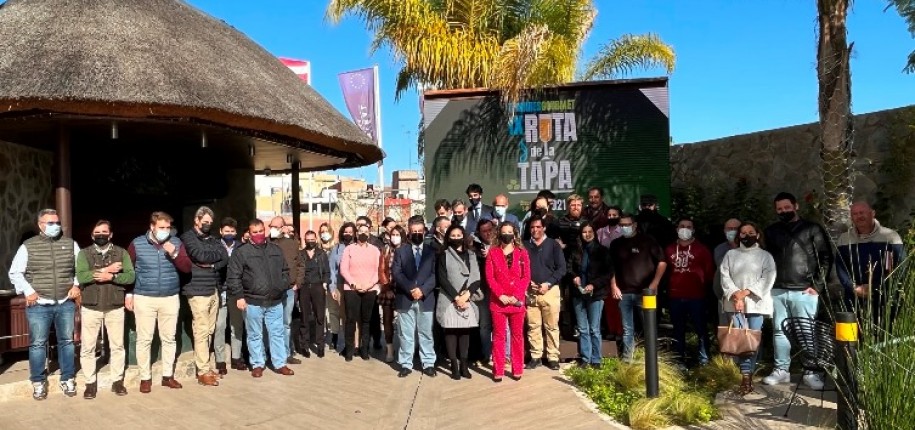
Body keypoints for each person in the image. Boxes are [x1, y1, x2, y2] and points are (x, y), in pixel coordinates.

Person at [8, 209, 82, 400]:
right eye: (50, 223)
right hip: (39, 304)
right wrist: (28, 291)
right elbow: (15, 272)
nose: (55, 226)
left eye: (57, 222)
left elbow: (80, 268)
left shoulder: (70, 244)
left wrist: (76, 285)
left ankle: (67, 378)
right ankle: (38, 382)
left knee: (67, 342)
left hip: (65, 302)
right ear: (40, 224)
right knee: (38, 344)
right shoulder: (28, 246)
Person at [762, 192, 833, 390]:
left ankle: (812, 372)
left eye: (787, 207)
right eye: (779, 209)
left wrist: (817, 286)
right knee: (778, 332)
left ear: (796, 206)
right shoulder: (771, 231)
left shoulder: (812, 229)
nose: (783, 211)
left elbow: (826, 257)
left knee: (807, 331)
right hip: (777, 290)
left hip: (804, 290)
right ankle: (781, 370)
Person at [127, 211, 192, 393]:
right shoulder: (137, 244)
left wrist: (175, 253)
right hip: (144, 297)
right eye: (162, 227)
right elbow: (128, 270)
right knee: (144, 339)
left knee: (169, 338)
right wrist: (129, 294)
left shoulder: (176, 243)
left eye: (168, 227)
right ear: (152, 227)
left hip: (170, 297)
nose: (165, 231)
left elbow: (187, 268)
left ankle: (167, 376)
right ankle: (145, 378)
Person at [226, 219, 295, 377]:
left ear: (265, 230)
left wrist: (282, 285)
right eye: (254, 232)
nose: (258, 234)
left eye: (260, 231)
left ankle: (280, 363)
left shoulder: (276, 249)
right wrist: (239, 296)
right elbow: (234, 276)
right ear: (249, 234)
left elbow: (285, 270)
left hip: (275, 300)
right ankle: (257, 363)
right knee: (254, 334)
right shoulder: (242, 252)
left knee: (277, 332)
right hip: (252, 301)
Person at [75, 220, 135, 398]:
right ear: (92, 235)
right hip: (91, 306)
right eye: (97, 232)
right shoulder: (84, 254)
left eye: (104, 232)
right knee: (88, 347)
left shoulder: (121, 252)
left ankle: (117, 381)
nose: (101, 235)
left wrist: (113, 276)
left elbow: (130, 276)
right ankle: (90, 383)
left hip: (114, 306)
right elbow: (82, 276)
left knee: (117, 346)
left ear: (110, 234)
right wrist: (106, 270)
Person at [720, 222, 776, 395]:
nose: (747, 235)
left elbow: (768, 277)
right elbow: (725, 276)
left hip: (756, 304)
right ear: (739, 236)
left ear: (757, 235)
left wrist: (745, 293)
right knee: (740, 340)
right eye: (743, 233)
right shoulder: (731, 254)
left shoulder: (765, 256)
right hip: (734, 303)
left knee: (751, 341)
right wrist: (735, 294)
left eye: (751, 232)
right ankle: (746, 376)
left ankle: (746, 377)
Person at [180, 206, 229, 387]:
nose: (207, 225)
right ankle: (202, 371)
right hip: (197, 289)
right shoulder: (187, 238)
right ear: (196, 220)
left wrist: (211, 265)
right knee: (201, 330)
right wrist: (209, 258)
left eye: (210, 222)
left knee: (209, 330)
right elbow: (198, 254)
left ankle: (206, 366)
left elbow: (224, 257)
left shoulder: (214, 239)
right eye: (204, 222)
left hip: (213, 288)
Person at [836, 201, 905, 327]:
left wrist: (875, 288)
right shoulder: (844, 239)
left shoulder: (890, 236)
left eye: (862, 212)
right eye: (855, 214)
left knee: (883, 334)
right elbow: (841, 267)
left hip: (884, 297)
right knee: (853, 337)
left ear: (872, 213)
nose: (859, 216)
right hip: (854, 297)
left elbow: (899, 266)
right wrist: (853, 287)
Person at [608, 213, 667, 359]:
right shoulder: (615, 244)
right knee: (628, 329)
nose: (624, 228)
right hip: (624, 293)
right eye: (621, 225)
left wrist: (654, 283)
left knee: (649, 327)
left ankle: (652, 359)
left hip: (645, 293)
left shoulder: (647, 241)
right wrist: (614, 286)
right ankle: (628, 360)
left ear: (634, 225)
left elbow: (662, 262)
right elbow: (611, 268)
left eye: (627, 225)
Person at [392, 216, 438, 378]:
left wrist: (423, 290)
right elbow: (396, 273)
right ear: (409, 233)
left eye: (420, 231)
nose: (417, 234)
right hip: (406, 297)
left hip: (426, 298)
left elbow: (435, 275)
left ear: (425, 232)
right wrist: (412, 288)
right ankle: (406, 363)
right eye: (414, 232)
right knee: (406, 333)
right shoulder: (400, 251)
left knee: (426, 333)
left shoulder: (432, 251)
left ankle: (428, 363)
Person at [484, 222, 531, 382]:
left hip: (517, 302)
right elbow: (490, 277)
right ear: (499, 234)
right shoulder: (493, 252)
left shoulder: (522, 252)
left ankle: (517, 368)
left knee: (517, 336)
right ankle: (498, 369)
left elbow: (526, 277)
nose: (507, 235)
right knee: (499, 336)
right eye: (504, 232)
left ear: (514, 234)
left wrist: (517, 296)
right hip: (498, 303)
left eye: (510, 232)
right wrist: (500, 295)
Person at [665, 217, 714, 367]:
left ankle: (704, 361)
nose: (685, 229)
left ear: (693, 230)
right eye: (682, 226)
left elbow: (710, 273)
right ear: (677, 229)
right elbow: (665, 272)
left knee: (701, 329)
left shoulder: (702, 249)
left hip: (696, 297)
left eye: (688, 226)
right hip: (675, 296)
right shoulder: (669, 249)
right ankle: (679, 360)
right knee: (678, 330)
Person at [436, 225, 483, 380]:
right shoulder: (443, 255)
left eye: (459, 235)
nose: (456, 238)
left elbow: (476, 277)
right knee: (451, 332)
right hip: (450, 298)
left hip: (467, 296)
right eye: (453, 235)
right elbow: (442, 278)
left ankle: (464, 364)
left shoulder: (471, 254)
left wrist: (467, 294)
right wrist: (456, 297)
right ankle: (454, 365)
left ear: (463, 236)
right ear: (448, 237)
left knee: (464, 332)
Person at [523, 216, 567, 371]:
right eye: (532, 228)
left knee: (551, 326)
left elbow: (562, 268)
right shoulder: (524, 246)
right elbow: (520, 268)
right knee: (533, 325)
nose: (535, 230)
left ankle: (553, 357)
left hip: (550, 290)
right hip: (531, 291)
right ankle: (536, 357)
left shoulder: (553, 245)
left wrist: (547, 284)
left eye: (538, 227)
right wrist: (528, 282)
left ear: (544, 228)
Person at [569, 221, 612, 368]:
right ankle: (585, 358)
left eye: (590, 232)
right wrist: (574, 276)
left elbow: (608, 273)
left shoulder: (602, 251)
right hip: (579, 293)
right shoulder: (575, 250)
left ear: (594, 233)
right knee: (582, 328)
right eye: (584, 232)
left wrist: (594, 284)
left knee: (594, 328)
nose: (587, 235)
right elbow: (569, 268)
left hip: (596, 294)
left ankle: (596, 359)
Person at [339, 222, 382, 361]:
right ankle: (350, 350)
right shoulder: (349, 249)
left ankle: (365, 349)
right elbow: (343, 269)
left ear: (369, 233)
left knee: (366, 320)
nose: (363, 233)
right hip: (352, 289)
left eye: (365, 231)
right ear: (356, 234)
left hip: (369, 288)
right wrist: (354, 283)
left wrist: (369, 285)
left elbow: (378, 270)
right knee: (351, 320)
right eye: (360, 231)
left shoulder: (375, 250)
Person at [267, 216, 302, 365]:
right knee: (271, 323)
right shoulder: (266, 244)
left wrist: (297, 283)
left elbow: (300, 265)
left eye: (275, 227)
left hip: (288, 289)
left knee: (286, 322)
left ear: (283, 228)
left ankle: (286, 353)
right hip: (271, 290)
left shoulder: (292, 244)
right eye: (271, 226)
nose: (272, 229)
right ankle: (272, 353)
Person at [214, 217, 246, 372]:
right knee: (219, 326)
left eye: (232, 231)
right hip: (219, 290)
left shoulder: (241, 247)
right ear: (221, 231)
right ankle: (220, 361)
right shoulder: (214, 246)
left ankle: (236, 358)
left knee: (236, 326)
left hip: (236, 291)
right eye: (226, 231)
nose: (229, 233)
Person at [296, 230, 331, 358]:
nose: (310, 241)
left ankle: (320, 345)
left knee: (320, 317)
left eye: (312, 239)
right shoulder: (301, 254)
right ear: (305, 240)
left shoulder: (321, 254)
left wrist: (325, 283)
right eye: (308, 239)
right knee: (304, 317)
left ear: (316, 240)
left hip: (318, 286)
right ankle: (304, 345)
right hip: (304, 287)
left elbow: (327, 271)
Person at [556, 194, 585, 341]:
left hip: (580, 267)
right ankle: (564, 330)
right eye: (573, 205)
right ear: (568, 206)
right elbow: (550, 239)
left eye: (578, 205)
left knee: (579, 298)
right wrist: (558, 245)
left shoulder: (587, 222)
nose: (575, 208)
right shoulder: (559, 222)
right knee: (563, 300)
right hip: (562, 266)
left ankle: (579, 329)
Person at [378, 224, 407, 362]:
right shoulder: (386, 250)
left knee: (404, 322)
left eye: (397, 235)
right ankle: (389, 348)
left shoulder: (407, 250)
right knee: (387, 320)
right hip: (388, 289)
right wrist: (386, 288)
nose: (395, 238)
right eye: (393, 235)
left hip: (403, 289)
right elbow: (382, 270)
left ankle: (405, 348)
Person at [355, 215, 384, 350]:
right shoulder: (354, 244)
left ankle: (376, 339)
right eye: (358, 225)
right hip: (358, 285)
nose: (360, 228)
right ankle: (361, 342)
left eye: (363, 225)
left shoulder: (376, 243)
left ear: (369, 227)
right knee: (360, 316)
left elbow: (379, 265)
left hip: (372, 284)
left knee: (373, 315)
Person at [472, 219, 497, 364]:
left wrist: (492, 253)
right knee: (485, 325)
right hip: (484, 291)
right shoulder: (475, 249)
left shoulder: (502, 245)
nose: (488, 233)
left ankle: (502, 355)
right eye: (484, 231)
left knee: (501, 326)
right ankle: (486, 354)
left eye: (490, 230)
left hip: (501, 291)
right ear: (479, 233)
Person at [328, 222, 356, 352]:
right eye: (345, 232)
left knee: (351, 316)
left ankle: (352, 344)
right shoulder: (337, 248)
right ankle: (343, 342)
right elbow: (332, 270)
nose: (348, 234)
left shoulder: (358, 247)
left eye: (350, 232)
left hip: (355, 286)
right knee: (341, 314)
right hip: (340, 284)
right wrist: (332, 288)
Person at [597, 206, 624, 341]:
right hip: (605, 271)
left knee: (620, 303)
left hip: (622, 271)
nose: (612, 217)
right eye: (609, 215)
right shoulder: (600, 232)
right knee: (608, 303)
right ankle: (611, 330)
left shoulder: (623, 231)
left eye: (615, 215)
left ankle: (621, 331)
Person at [713, 218, 742, 326]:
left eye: (736, 229)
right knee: (726, 329)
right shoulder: (719, 249)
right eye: (730, 229)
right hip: (725, 295)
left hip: (745, 295)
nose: (733, 231)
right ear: (724, 230)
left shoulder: (749, 247)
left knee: (748, 331)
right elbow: (723, 267)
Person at [319, 222, 342, 349]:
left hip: (333, 285)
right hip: (318, 285)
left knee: (333, 312)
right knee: (320, 312)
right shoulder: (317, 248)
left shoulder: (337, 248)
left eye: (326, 231)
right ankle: (321, 336)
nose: (324, 234)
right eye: (321, 231)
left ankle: (334, 336)